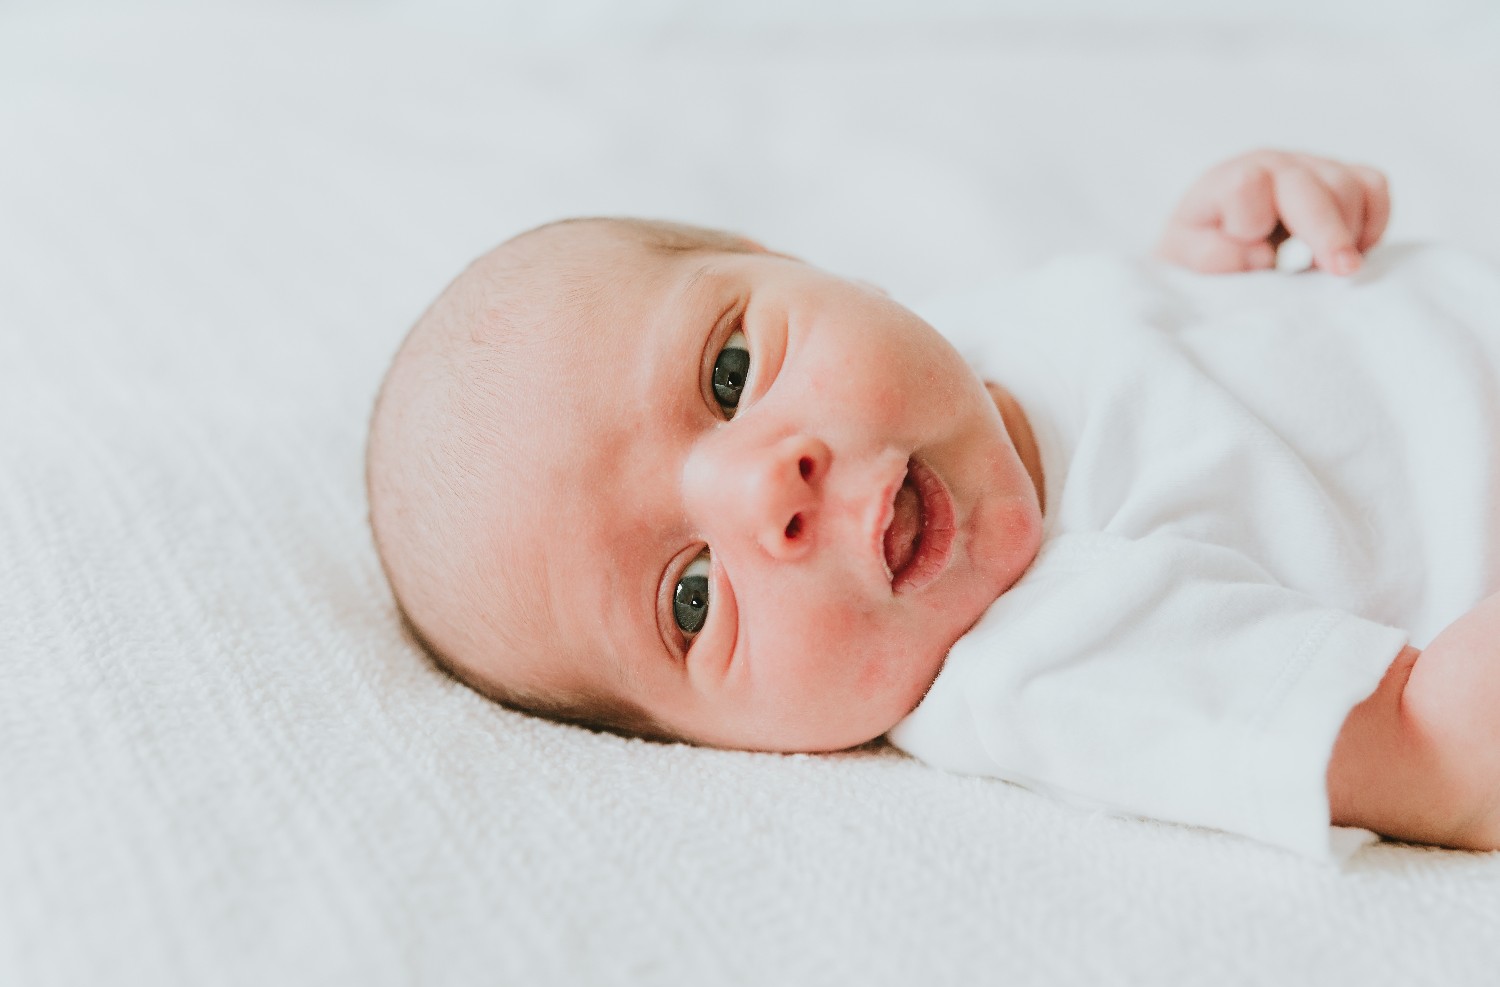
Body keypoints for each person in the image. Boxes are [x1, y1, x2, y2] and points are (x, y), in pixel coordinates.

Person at [365, 150, 1500, 859]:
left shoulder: (955, 344)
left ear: (799, 264)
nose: (767, 488)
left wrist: (1207, 272)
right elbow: (1442, 753)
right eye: (694, 598)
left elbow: (1182, 409)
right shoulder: (1053, 659)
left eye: (726, 374)